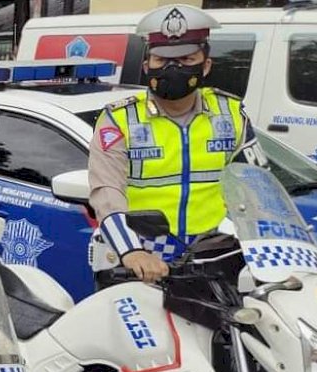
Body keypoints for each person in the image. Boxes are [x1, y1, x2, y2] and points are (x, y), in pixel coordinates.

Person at [88, 4, 266, 283]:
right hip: (140, 260)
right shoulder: (119, 119)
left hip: (213, 256)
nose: (173, 67)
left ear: (205, 65)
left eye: (186, 59)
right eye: (162, 60)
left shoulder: (230, 113)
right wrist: (132, 251)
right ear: (147, 66)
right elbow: (107, 193)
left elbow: (256, 187)